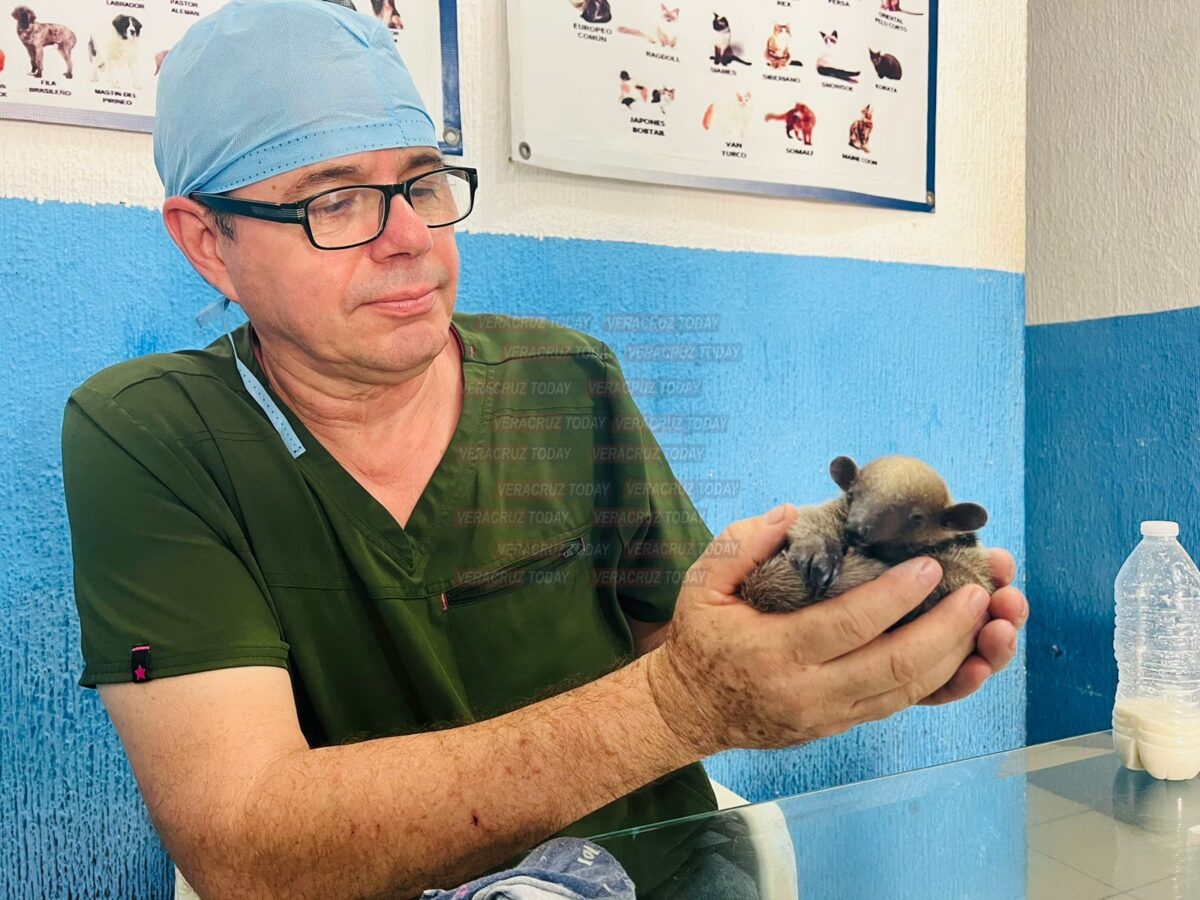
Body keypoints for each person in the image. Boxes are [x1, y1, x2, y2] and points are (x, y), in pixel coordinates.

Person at [61, 1, 1028, 897]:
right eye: (338, 200)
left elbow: (707, 649)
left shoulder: (567, 380)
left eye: (422, 183)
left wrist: (854, 641)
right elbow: (242, 842)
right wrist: (677, 707)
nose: (410, 237)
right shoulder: (153, 435)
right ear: (208, 242)